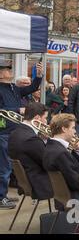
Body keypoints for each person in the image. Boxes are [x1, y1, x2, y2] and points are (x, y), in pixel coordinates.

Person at [0, 59, 43, 209]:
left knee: (10, 165)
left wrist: (38, 75)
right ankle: (1, 197)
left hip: (14, 131)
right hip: (4, 131)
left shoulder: (13, 87)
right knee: (4, 167)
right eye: (7, 69)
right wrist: (18, 110)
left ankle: (3, 195)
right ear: (0, 74)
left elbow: (32, 87)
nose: (10, 71)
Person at [43, 114, 79, 213]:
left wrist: (74, 152)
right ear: (64, 129)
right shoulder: (61, 153)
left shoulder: (50, 147)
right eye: (73, 128)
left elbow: (68, 168)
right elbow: (77, 182)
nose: (75, 131)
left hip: (64, 197)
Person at [8, 103, 53, 201]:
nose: (46, 122)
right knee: (77, 179)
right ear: (37, 118)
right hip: (39, 184)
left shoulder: (15, 133)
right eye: (45, 118)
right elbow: (49, 163)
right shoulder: (31, 139)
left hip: (25, 181)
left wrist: (43, 140)